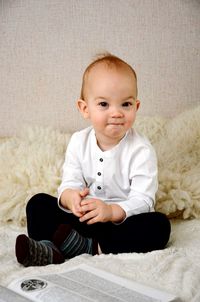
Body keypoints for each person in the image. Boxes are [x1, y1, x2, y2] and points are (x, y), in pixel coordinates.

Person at [15, 53, 171, 267]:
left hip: (118, 225)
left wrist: (111, 212)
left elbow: (144, 200)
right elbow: (70, 182)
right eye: (104, 104)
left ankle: (91, 248)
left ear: (136, 106)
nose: (116, 113)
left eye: (125, 104)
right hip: (81, 221)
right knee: (38, 203)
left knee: (159, 225)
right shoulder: (78, 141)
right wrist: (71, 199)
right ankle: (49, 249)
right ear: (84, 108)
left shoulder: (141, 150)